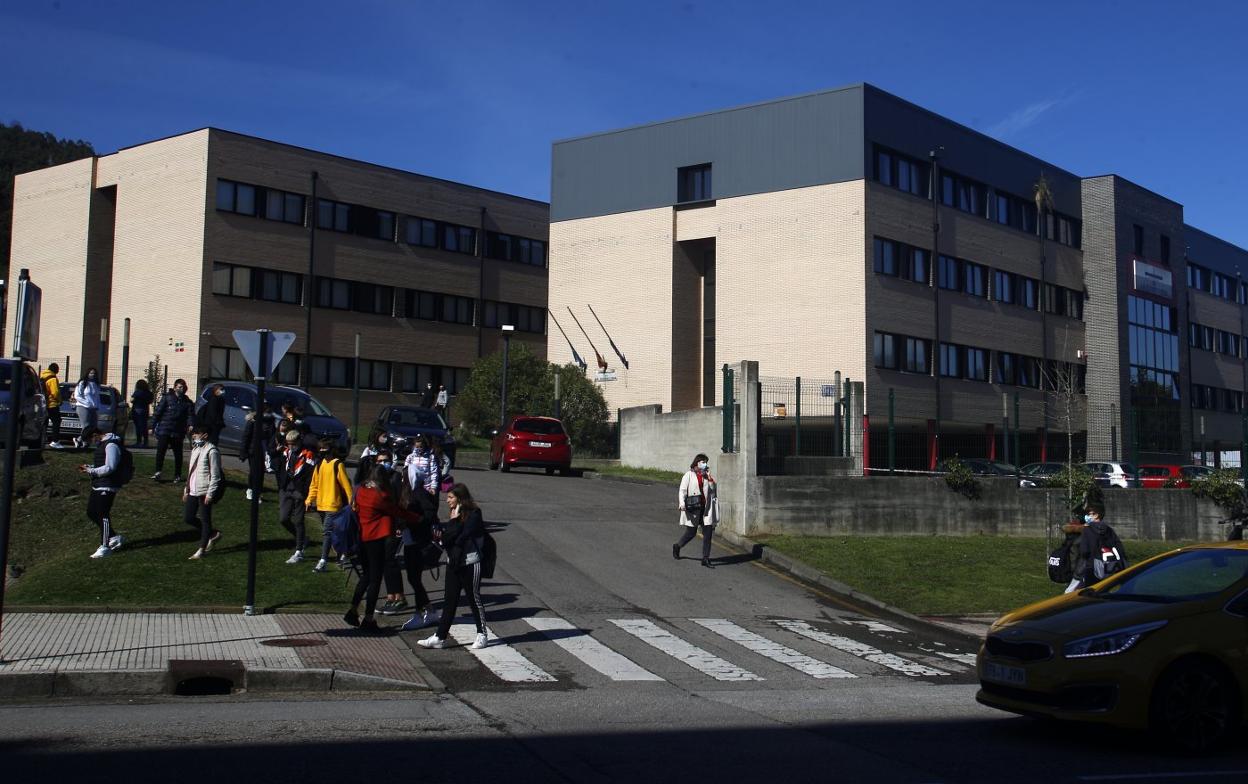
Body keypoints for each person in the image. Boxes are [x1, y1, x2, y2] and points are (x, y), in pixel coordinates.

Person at [346, 463, 423, 632]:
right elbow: (396, 511)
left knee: (365, 576)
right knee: (375, 579)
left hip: (362, 538)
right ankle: (368, 618)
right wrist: (416, 518)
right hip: (376, 539)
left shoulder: (360, 491)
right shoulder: (380, 495)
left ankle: (353, 609)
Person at [418, 483, 490, 650]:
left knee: (474, 598)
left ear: (460, 498)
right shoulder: (453, 514)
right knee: (449, 601)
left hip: (470, 563)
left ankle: (482, 634)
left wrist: (453, 523)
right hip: (453, 563)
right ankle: (440, 636)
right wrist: (449, 527)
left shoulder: (474, 514)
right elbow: (447, 538)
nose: (447, 500)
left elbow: (460, 536)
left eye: (450, 497)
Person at [77, 426, 128, 558]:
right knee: (91, 512)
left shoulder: (111, 445)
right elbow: (102, 464)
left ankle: (104, 546)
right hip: (99, 484)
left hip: (108, 485)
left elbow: (110, 467)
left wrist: (92, 471)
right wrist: (91, 467)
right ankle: (114, 537)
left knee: (102, 514)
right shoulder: (103, 444)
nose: (92, 442)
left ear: (96, 434)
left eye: (90, 439)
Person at [305, 437, 354, 573]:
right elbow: (314, 485)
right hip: (321, 506)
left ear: (332, 450)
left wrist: (351, 502)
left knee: (326, 533)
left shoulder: (337, 465)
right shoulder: (319, 465)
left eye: (325, 451)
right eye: (320, 451)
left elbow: (346, 486)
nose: (322, 453)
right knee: (333, 533)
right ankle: (343, 553)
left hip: (333, 505)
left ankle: (323, 561)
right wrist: (309, 500)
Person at [276, 428, 316, 564]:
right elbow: (280, 468)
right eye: (288, 443)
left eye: (293, 443)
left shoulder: (308, 455)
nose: (290, 446)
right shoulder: (286, 452)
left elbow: (311, 475)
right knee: (283, 518)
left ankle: (299, 551)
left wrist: (304, 492)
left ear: (299, 441)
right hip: (286, 489)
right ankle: (302, 538)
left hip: (299, 491)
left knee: (299, 521)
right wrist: (281, 485)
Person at [183, 423, 223, 560]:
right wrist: (186, 489)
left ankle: (202, 549)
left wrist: (210, 493)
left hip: (204, 490)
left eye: (197, 434)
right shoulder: (195, 449)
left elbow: (215, 475)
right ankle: (213, 534)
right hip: (193, 490)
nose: (194, 436)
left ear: (205, 435)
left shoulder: (212, 451)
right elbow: (191, 471)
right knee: (189, 517)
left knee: (206, 519)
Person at [673, 453, 718, 568]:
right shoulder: (688, 475)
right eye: (703, 462)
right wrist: (682, 503)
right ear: (697, 463)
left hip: (705, 508)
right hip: (694, 508)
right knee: (691, 532)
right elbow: (682, 490)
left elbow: (713, 490)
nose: (705, 464)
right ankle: (678, 546)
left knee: (708, 533)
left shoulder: (706, 476)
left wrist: (709, 478)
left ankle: (705, 558)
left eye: (706, 462)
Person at [1074, 502, 1127, 590]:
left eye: (1089, 514)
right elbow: (1119, 547)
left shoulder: (1087, 530)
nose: (1087, 516)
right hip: (1109, 566)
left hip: (1091, 567)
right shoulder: (1109, 530)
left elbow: (1084, 550)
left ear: (1096, 515)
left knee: (1089, 592)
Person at [152, 378, 195, 482]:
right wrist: (151, 425)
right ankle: (158, 471)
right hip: (165, 428)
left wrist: (190, 424)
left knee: (178, 454)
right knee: (161, 451)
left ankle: (177, 474)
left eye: (183, 387)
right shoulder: (167, 398)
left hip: (178, 430)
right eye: (180, 387)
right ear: (175, 387)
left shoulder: (186, 401)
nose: (182, 389)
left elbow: (190, 415)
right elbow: (158, 412)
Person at [239, 407, 274, 501]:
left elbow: (272, 436)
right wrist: (243, 452)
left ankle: (257, 492)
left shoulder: (270, 422)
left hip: (264, 451)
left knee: (261, 473)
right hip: (253, 451)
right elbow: (246, 437)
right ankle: (251, 490)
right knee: (255, 472)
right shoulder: (253, 422)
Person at [72, 368, 102, 449]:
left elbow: (97, 397)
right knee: (86, 426)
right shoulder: (82, 383)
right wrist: (87, 403)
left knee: (93, 426)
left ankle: (81, 440)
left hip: (93, 408)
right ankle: (82, 441)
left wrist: (97, 406)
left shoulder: (96, 384)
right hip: (83, 407)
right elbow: (77, 395)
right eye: (91, 373)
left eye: (94, 373)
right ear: (87, 373)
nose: (92, 375)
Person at [40, 362, 63, 448]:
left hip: (43, 403)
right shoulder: (53, 378)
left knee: (44, 422)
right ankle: (55, 441)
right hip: (52, 404)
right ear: (56, 370)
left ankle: (42, 439)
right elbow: (55, 392)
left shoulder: (42, 376)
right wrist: (60, 400)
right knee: (56, 422)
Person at [130, 379, 153, 448]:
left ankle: (138, 442)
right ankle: (145, 442)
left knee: (138, 427)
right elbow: (150, 401)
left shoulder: (138, 392)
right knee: (144, 427)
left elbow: (131, 400)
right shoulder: (149, 393)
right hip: (145, 410)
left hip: (137, 410)